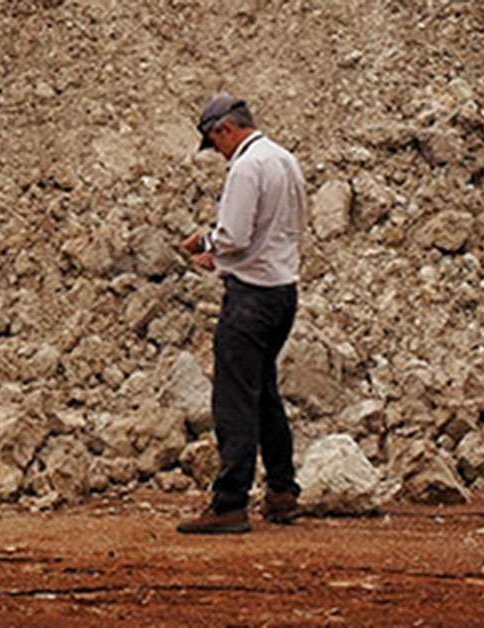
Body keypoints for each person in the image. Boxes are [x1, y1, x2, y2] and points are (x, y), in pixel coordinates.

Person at [176, 92, 307, 535]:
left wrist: (206, 245)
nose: (218, 153)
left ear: (224, 130)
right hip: (283, 291)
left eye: (216, 144)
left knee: (234, 398)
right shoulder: (284, 159)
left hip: (250, 296)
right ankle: (283, 491)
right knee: (264, 391)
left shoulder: (247, 167)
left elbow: (233, 235)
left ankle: (230, 503)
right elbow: (283, 227)